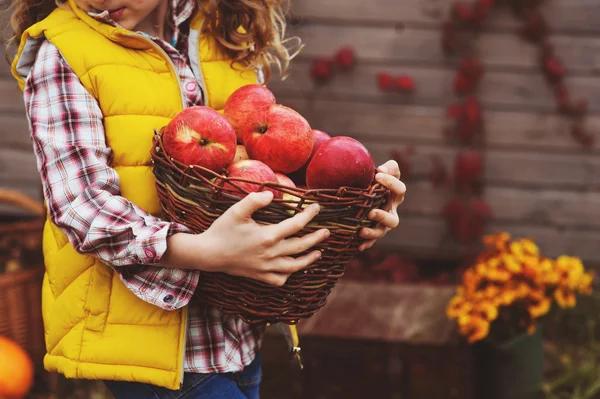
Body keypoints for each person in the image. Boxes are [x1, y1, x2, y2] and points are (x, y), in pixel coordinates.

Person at [7, 0, 407, 396]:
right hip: (146, 349)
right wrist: (206, 251)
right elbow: (81, 206)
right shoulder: (64, 51)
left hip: (235, 336)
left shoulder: (221, 32)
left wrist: (352, 203)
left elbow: (265, 164)